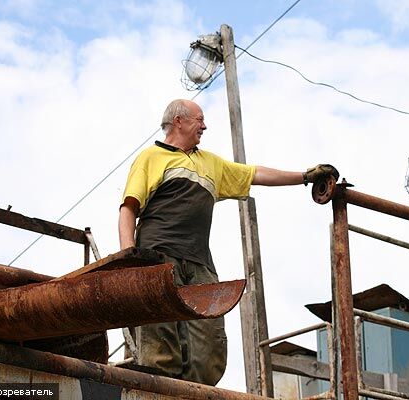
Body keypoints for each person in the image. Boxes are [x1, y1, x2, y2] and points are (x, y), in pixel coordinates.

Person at [118, 99, 338, 385]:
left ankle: (195, 392)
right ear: (179, 121)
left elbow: (255, 174)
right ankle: (160, 390)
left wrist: (305, 177)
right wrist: (130, 259)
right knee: (160, 345)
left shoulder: (210, 163)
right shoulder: (151, 158)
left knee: (208, 346)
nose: (204, 125)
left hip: (199, 264)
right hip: (157, 257)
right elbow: (128, 209)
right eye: (199, 119)